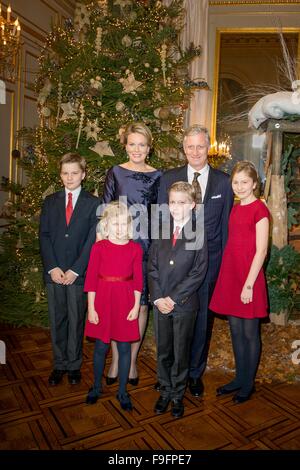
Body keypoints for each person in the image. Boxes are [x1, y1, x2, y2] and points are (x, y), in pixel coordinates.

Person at [157, 124, 233, 396]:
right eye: (190, 146)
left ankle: (193, 373)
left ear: (208, 147)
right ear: (184, 148)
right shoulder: (169, 178)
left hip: (208, 265)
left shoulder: (224, 182)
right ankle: (169, 372)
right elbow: (160, 222)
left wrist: (223, 269)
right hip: (172, 265)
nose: (196, 151)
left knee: (201, 321)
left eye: (201, 146)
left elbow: (225, 227)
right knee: (169, 321)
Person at [102, 122, 162, 385]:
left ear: (149, 148)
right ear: (125, 145)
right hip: (118, 245)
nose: (137, 149)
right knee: (119, 304)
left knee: (141, 305)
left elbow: (161, 216)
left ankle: (133, 361)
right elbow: (104, 211)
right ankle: (117, 360)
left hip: (147, 248)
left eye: (142, 145)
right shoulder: (115, 172)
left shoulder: (158, 176)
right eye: (132, 144)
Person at [210, 161, 270, 403]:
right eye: (236, 182)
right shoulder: (234, 208)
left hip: (250, 277)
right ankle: (239, 377)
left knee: (249, 332)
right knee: (235, 331)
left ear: (254, 184)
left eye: (245, 182)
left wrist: (248, 284)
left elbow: (262, 250)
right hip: (231, 274)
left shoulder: (259, 210)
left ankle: (248, 383)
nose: (240, 186)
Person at [148, 182, 208, 418]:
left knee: (181, 353)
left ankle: (177, 396)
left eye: (181, 202)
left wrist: (172, 298)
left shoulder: (197, 233)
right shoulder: (161, 229)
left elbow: (198, 272)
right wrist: (158, 297)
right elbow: (152, 266)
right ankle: (164, 391)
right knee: (163, 350)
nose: (176, 207)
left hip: (183, 305)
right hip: (160, 303)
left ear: (192, 205)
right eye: (172, 202)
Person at [39, 153, 99, 386]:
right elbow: (44, 236)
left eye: (75, 173)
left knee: (76, 320)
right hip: (54, 273)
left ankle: (74, 365)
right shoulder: (50, 202)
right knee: (58, 319)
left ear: (83, 175)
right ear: (60, 175)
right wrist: (52, 267)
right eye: (65, 173)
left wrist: (76, 270)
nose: (70, 177)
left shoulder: (93, 203)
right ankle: (59, 363)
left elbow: (92, 240)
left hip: (78, 274)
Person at [84, 201, 143, 411]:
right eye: (114, 224)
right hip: (102, 301)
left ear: (128, 225)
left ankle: (122, 391)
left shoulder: (135, 248)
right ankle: (96, 386)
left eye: (122, 224)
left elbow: (138, 280)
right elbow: (91, 279)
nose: (119, 228)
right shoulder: (98, 247)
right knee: (100, 347)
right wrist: (91, 308)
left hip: (126, 301)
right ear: (106, 226)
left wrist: (136, 306)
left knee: (124, 347)